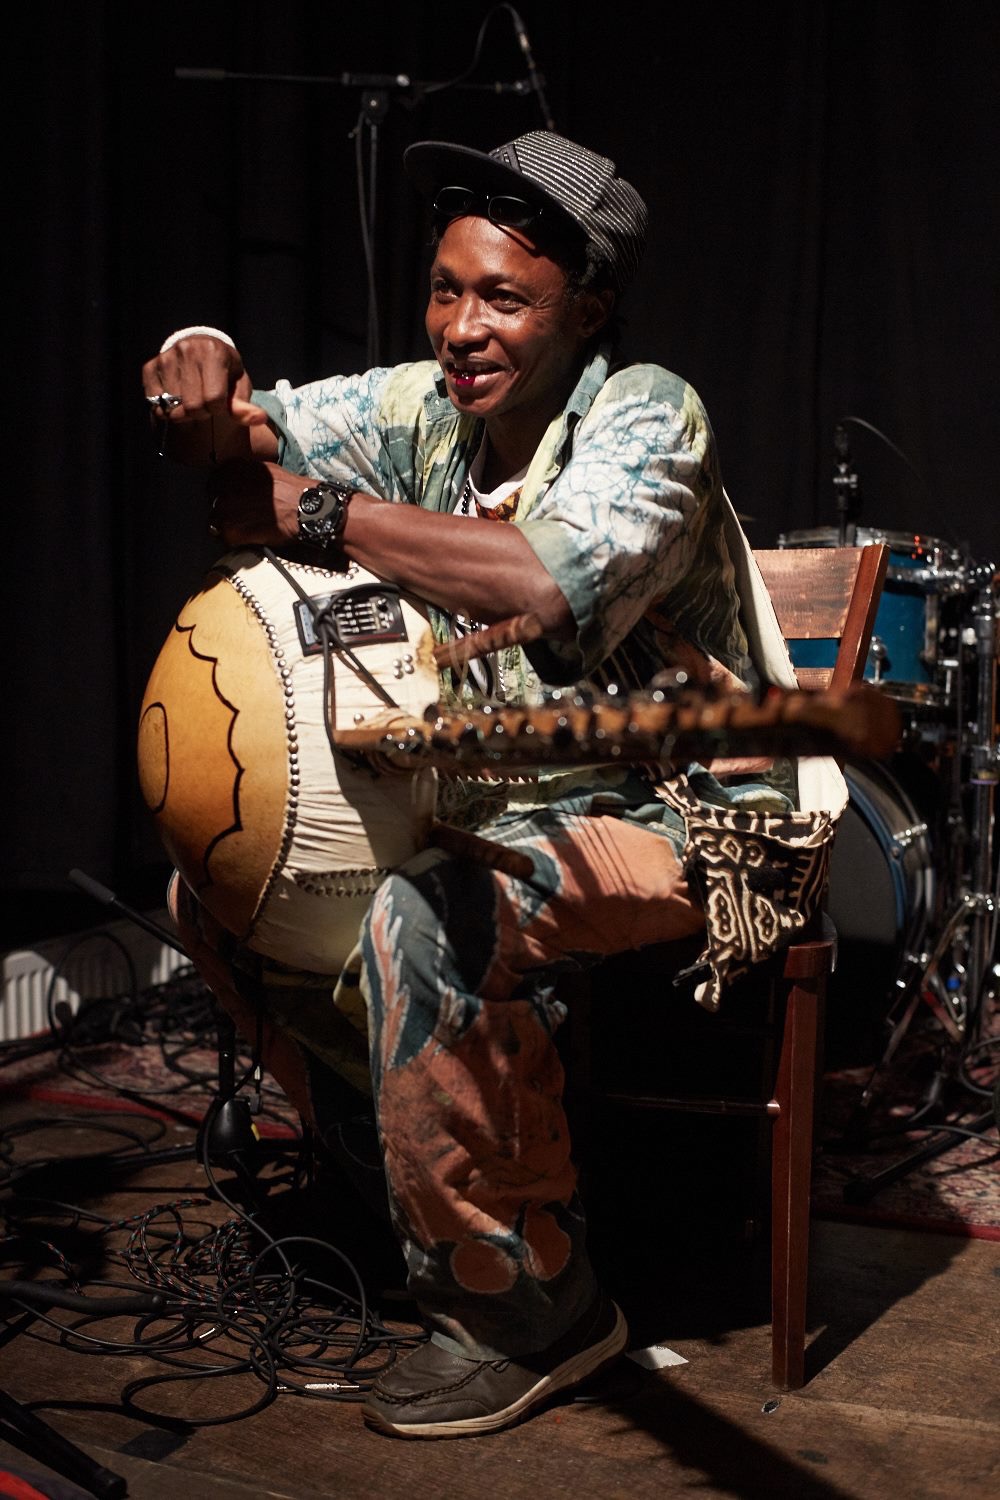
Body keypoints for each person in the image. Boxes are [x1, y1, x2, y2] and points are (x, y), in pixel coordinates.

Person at [141, 130, 846, 1439]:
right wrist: (196, 367)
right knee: (217, 893)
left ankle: (534, 1313)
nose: (462, 328)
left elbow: (542, 580)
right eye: (446, 289)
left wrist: (316, 513)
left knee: (428, 915)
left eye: (505, 300)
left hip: (697, 814)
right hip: (501, 804)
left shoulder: (647, 412)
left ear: (589, 310)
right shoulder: (424, 406)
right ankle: (411, 1191)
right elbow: (236, 432)